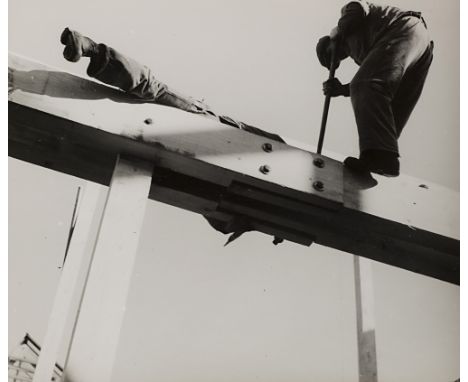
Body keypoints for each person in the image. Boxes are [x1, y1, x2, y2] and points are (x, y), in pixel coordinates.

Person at [59, 27, 284, 143]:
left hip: (195, 140)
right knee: (151, 90)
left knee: (144, 96)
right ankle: (90, 48)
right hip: (205, 122)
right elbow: (271, 141)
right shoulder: (273, 147)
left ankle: (90, 49)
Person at [316, 1, 434, 177]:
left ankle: (380, 157)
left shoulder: (347, 15)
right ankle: (381, 159)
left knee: (365, 85)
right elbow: (376, 80)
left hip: (403, 28)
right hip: (418, 48)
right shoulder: (362, 52)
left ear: (330, 41)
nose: (336, 59)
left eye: (330, 54)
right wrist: (341, 89)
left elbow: (358, 8)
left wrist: (339, 29)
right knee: (387, 99)